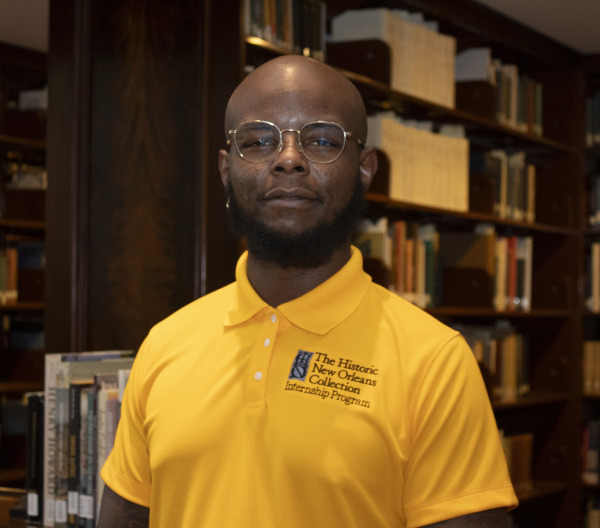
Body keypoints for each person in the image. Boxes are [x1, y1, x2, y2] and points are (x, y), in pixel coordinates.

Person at [98, 54, 518, 528]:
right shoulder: (165, 344)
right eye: (258, 141)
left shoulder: (434, 361)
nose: (289, 159)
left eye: (321, 140)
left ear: (364, 169)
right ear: (225, 170)